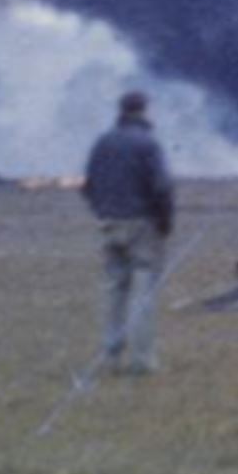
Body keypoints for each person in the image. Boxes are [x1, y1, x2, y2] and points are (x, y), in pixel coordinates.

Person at [80, 90, 176, 375]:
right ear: (144, 111)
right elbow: (162, 188)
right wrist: (165, 222)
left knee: (115, 290)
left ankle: (110, 356)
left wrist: (102, 211)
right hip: (142, 224)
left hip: (109, 222)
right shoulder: (148, 144)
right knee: (143, 291)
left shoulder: (102, 142)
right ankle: (142, 360)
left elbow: (87, 186)